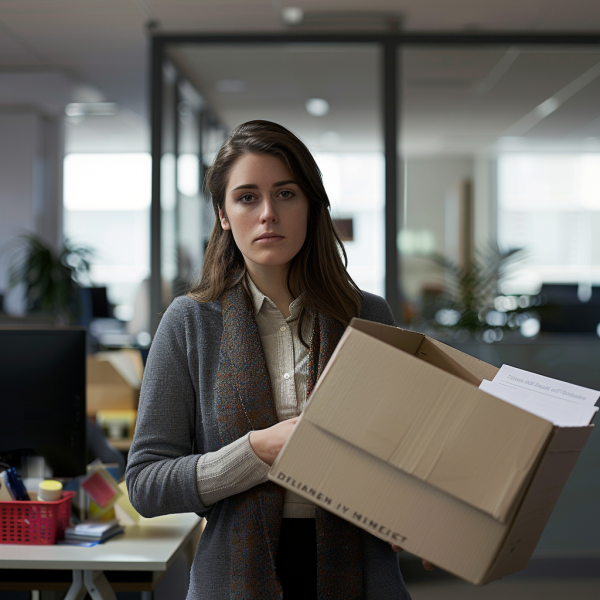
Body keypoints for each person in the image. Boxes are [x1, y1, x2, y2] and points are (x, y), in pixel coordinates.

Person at [126, 120, 415, 599]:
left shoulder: (367, 314)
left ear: (310, 206)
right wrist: (253, 454)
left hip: (359, 575)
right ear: (222, 214)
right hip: (236, 578)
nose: (268, 215)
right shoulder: (190, 322)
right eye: (247, 197)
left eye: (285, 194)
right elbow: (146, 484)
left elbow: (403, 453)